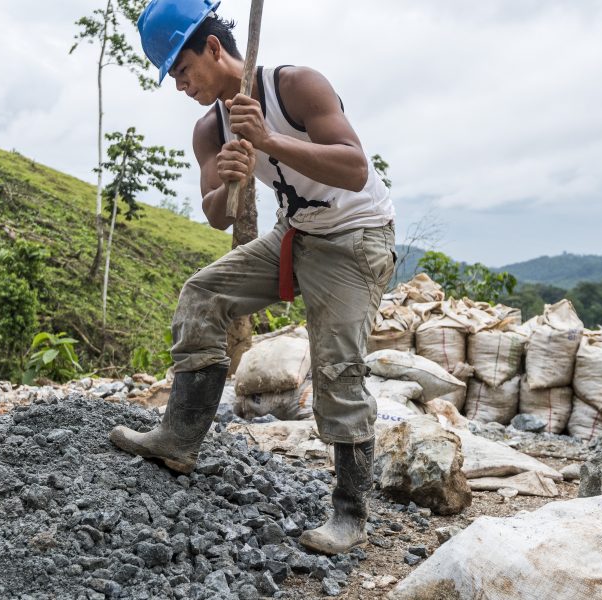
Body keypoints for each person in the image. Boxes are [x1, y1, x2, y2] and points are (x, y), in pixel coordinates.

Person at [109, 0, 395, 555]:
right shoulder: (209, 128)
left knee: (336, 362)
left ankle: (350, 513)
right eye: (172, 76)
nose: (179, 84)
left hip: (355, 234)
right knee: (202, 295)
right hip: (298, 233)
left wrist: (268, 141)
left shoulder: (297, 87)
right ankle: (180, 437)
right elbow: (216, 213)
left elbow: (354, 167)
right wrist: (229, 183)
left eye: (182, 69)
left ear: (213, 48)